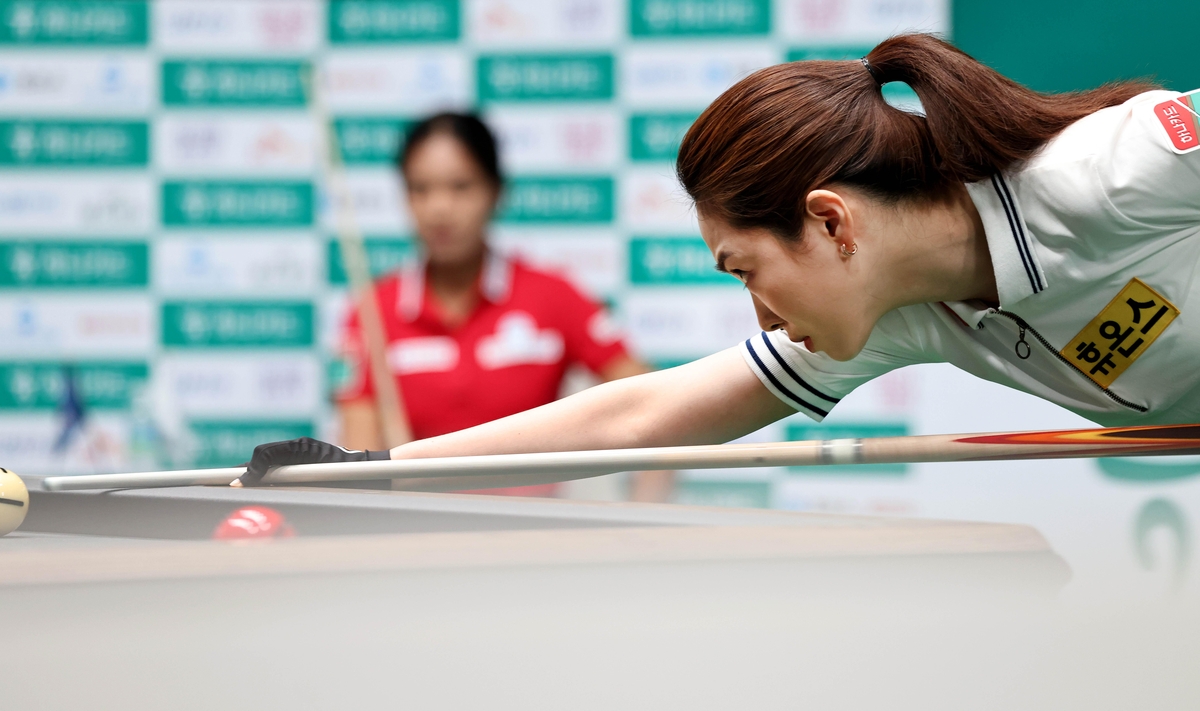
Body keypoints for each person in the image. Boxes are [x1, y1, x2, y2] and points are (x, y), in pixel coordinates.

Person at [239, 34, 1200, 487]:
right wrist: (369, 469)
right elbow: (642, 411)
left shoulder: (1115, 165)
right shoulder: (903, 310)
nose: (762, 317)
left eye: (743, 269)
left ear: (830, 223)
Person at [332, 112, 672, 500]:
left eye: (460, 187)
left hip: (532, 541)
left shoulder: (552, 295)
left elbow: (651, 407)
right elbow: (356, 462)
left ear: (496, 191)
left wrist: (645, 527)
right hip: (419, 540)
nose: (439, 208)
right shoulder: (372, 312)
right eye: (419, 189)